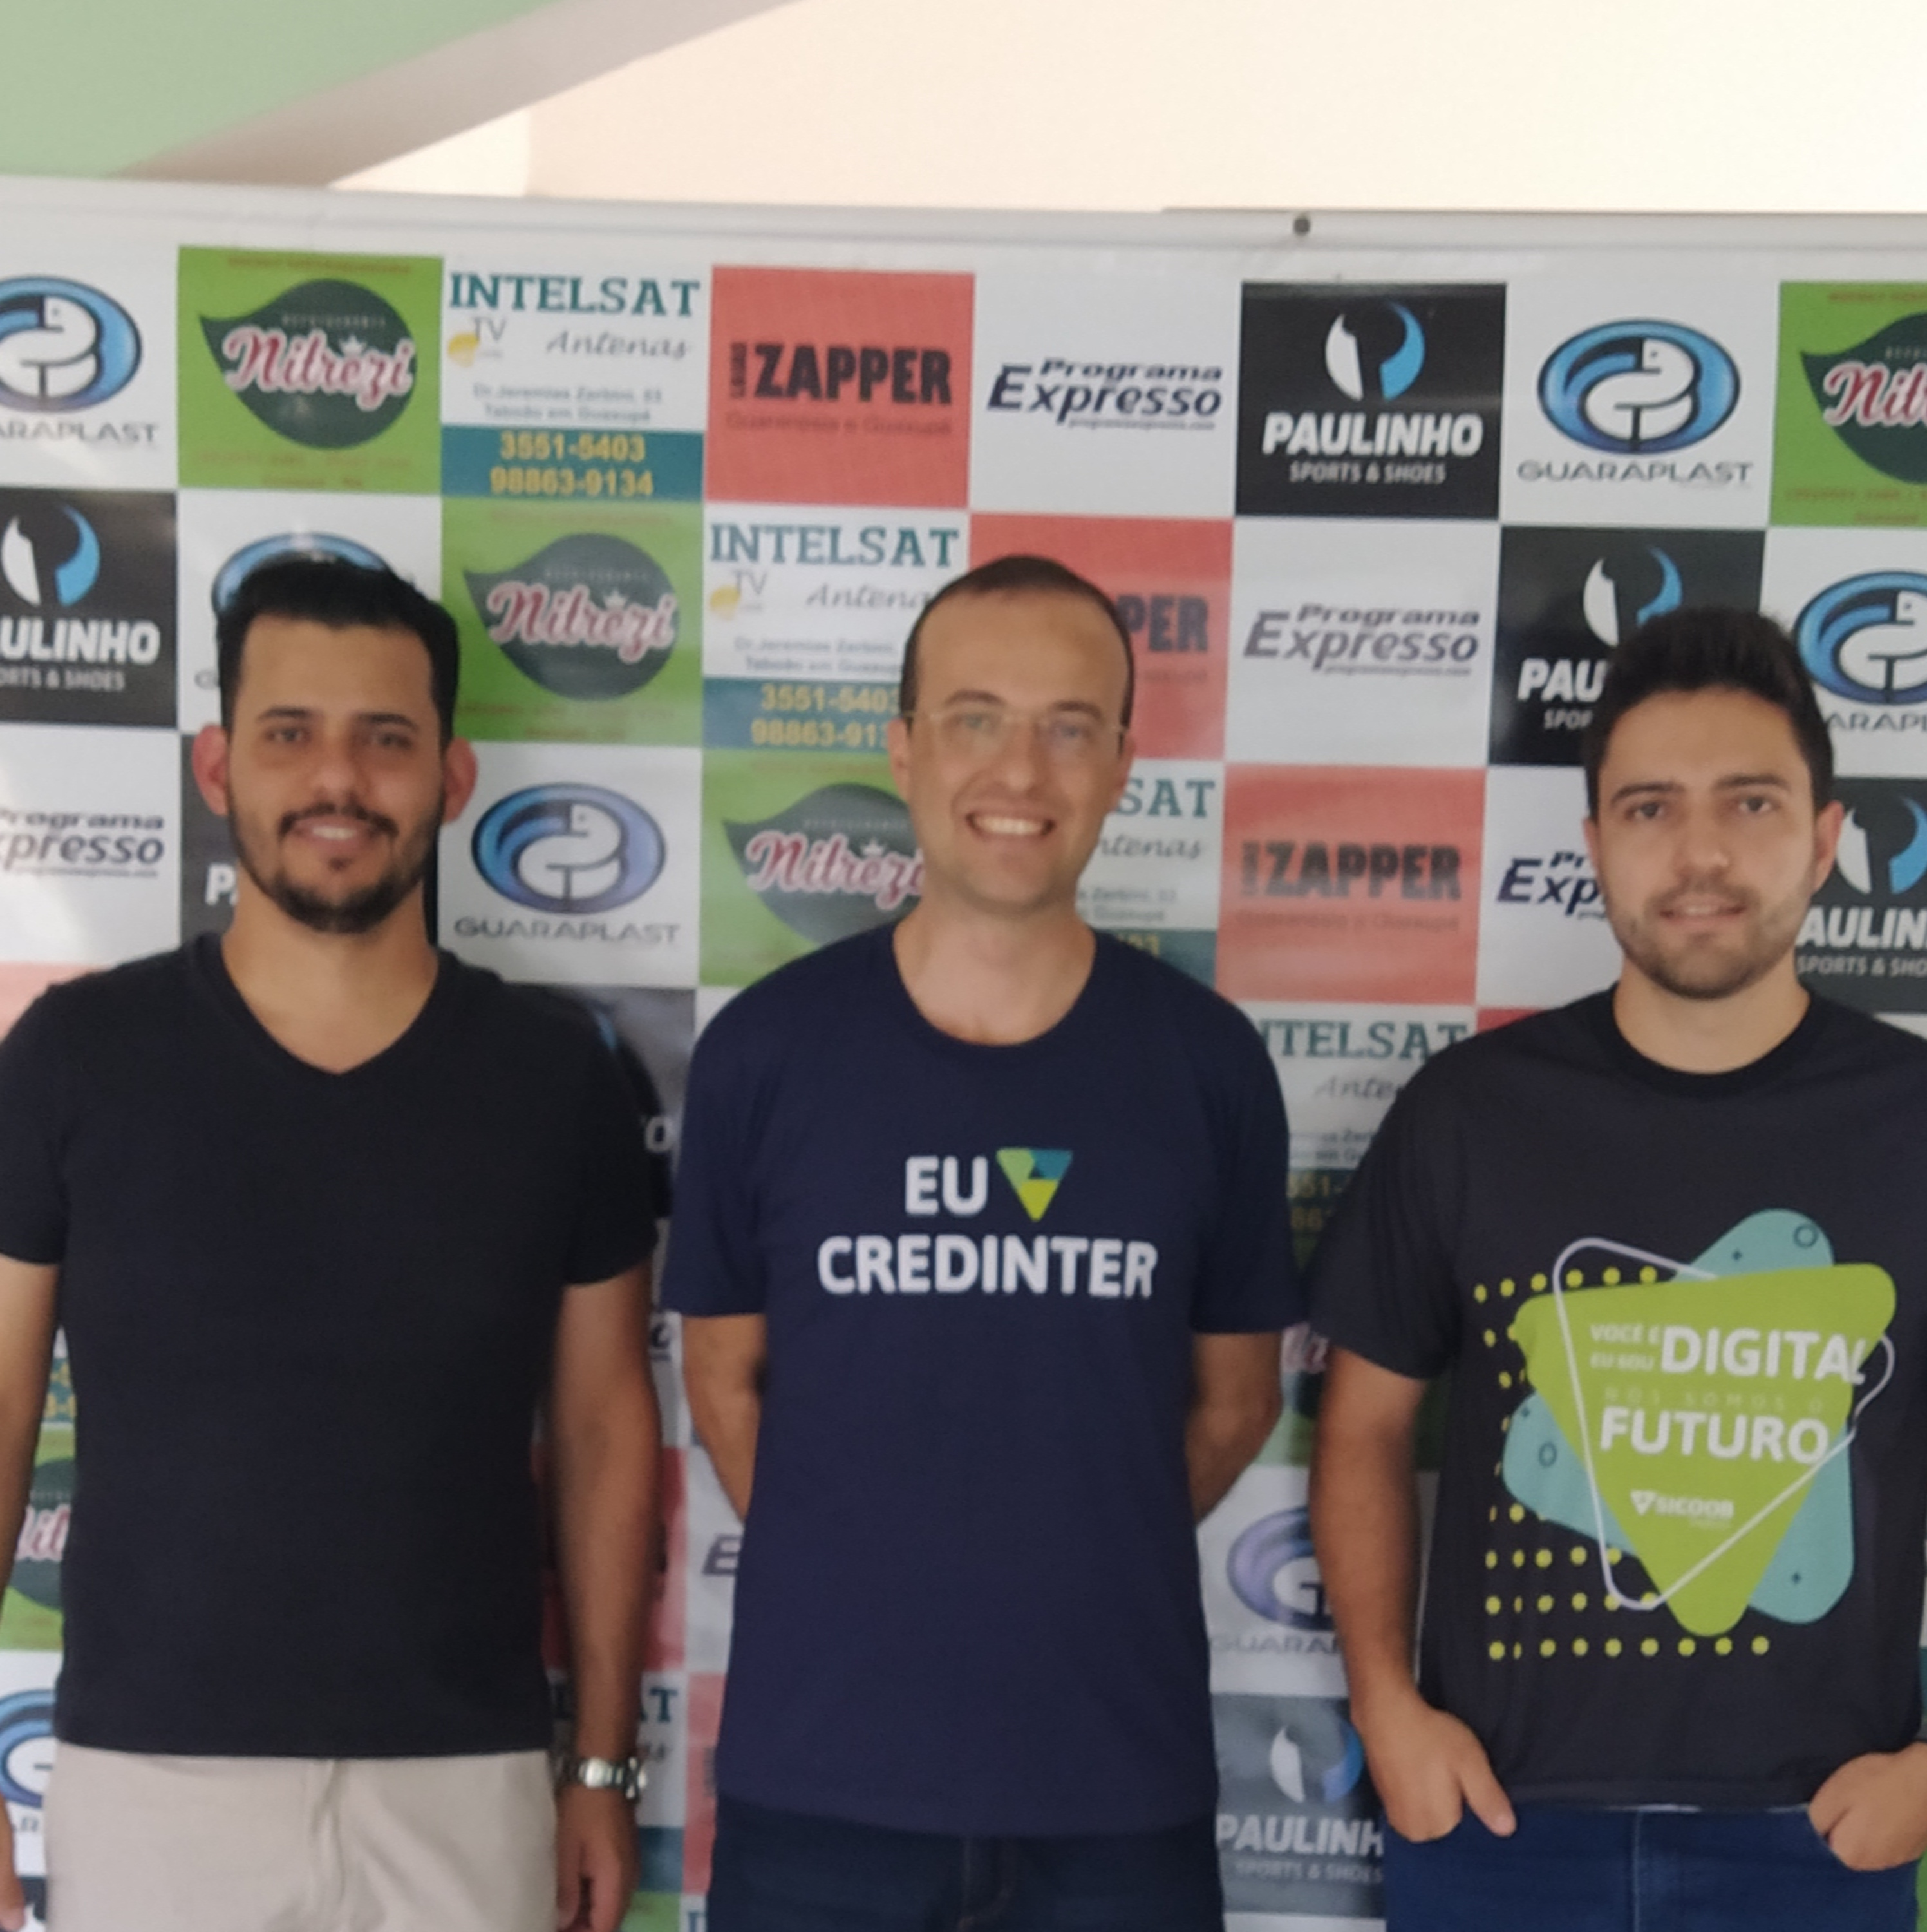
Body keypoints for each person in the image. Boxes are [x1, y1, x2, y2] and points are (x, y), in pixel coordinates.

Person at [0, 558, 663, 1932]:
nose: (338, 780)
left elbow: (605, 1429)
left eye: (387, 738)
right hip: (152, 1785)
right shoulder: (76, 1059)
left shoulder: (558, 1080)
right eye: (289, 733)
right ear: (217, 766)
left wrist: (600, 1764)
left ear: (454, 778)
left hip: (466, 1787)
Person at [663, 553, 1298, 1931]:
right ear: (903, 750)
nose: (1022, 769)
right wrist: (878, 1561)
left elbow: (1237, 1402)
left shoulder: (1210, 1066)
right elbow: (722, 1382)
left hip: (1116, 1797)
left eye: (1070, 726)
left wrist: (1070, 1541)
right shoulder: (764, 1055)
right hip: (822, 1788)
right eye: (976, 718)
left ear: (1123, 764)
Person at [1310, 606, 1927, 1931]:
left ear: (1827, 837)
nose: (1701, 853)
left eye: (1751, 803)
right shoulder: (1470, 1114)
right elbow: (1362, 1425)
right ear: (1593, 843)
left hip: (1816, 1841)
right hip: (1496, 1828)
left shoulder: (1916, 1119)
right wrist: (1384, 1704)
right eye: (1651, 809)